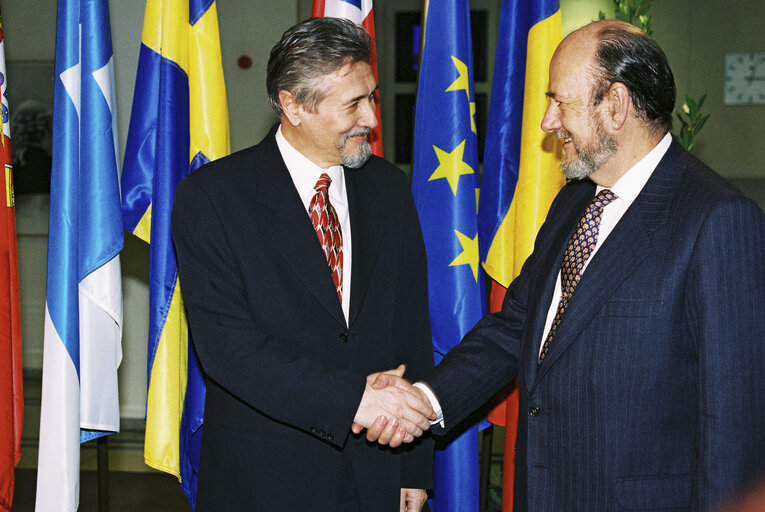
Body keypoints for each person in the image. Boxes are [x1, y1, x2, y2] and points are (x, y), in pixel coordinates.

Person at [366, 19, 765, 511]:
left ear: (615, 106)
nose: (547, 122)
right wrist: (425, 401)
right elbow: (515, 328)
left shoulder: (717, 220)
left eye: (561, 102)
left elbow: (736, 430)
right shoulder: (572, 204)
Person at [171, 17, 435, 512]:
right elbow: (228, 348)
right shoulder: (212, 198)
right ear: (292, 104)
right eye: (353, 104)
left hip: (378, 469)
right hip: (264, 478)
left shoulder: (389, 188)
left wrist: (415, 469)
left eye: (372, 97)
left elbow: (411, 330)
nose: (372, 119)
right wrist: (354, 398)